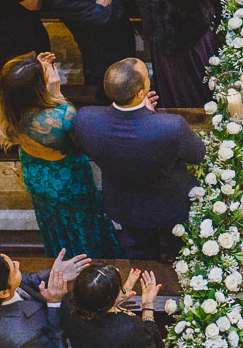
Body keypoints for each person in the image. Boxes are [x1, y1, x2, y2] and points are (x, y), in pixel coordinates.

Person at [73, 58, 207, 259]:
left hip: (125, 204)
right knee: (180, 250)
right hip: (170, 203)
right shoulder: (170, 127)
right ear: (141, 93)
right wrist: (148, 117)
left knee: (140, 254)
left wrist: (141, 113)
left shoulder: (85, 119)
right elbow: (198, 155)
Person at [0, 52, 123, 258]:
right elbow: (77, 142)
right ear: (38, 90)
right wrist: (56, 94)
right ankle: (91, 257)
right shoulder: (61, 117)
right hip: (67, 179)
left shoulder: (1, 101)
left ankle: (60, 252)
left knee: (52, 221)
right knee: (82, 221)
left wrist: (34, 70)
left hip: (34, 171)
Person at [0, 249, 91, 348]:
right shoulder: (23, 337)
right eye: (14, 269)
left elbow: (26, 280)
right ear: (4, 293)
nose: (17, 263)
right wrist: (54, 304)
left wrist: (55, 274)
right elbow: (58, 345)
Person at [60, 264, 164, 347]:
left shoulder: (66, 303)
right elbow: (155, 344)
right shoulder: (129, 327)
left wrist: (115, 299)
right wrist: (148, 305)